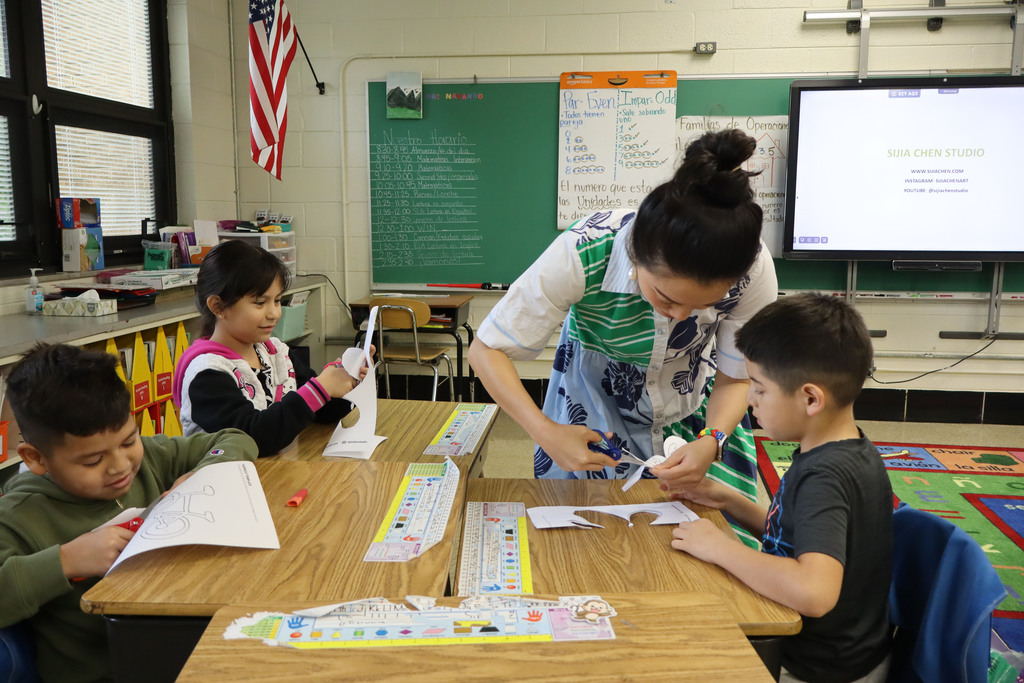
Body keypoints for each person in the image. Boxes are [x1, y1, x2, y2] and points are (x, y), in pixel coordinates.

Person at [469, 128, 778, 545]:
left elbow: (739, 377)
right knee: (584, 546)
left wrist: (713, 438)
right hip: (590, 414)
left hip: (694, 409)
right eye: (666, 298)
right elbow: (487, 349)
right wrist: (547, 432)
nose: (682, 316)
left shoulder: (752, 269)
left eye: (703, 305)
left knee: (716, 549)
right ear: (637, 256)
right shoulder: (583, 250)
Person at [0, 343, 260, 683]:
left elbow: (233, 439)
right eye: (93, 461)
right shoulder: (19, 516)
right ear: (35, 458)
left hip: (184, 641)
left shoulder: (148, 458)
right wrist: (64, 561)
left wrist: (205, 474)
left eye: (128, 441)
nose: (121, 467)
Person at [669, 292, 893, 683]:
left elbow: (814, 592)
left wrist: (720, 548)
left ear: (810, 398)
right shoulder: (850, 449)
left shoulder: (824, 477)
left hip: (813, 669)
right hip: (848, 656)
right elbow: (793, 534)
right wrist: (728, 500)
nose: (750, 400)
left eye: (759, 387)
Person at [173, 239, 365, 457]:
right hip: (225, 483)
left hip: (275, 474)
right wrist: (320, 388)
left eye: (277, 301)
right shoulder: (207, 374)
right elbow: (253, 439)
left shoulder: (275, 352)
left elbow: (319, 411)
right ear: (218, 306)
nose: (274, 313)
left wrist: (345, 381)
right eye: (259, 302)